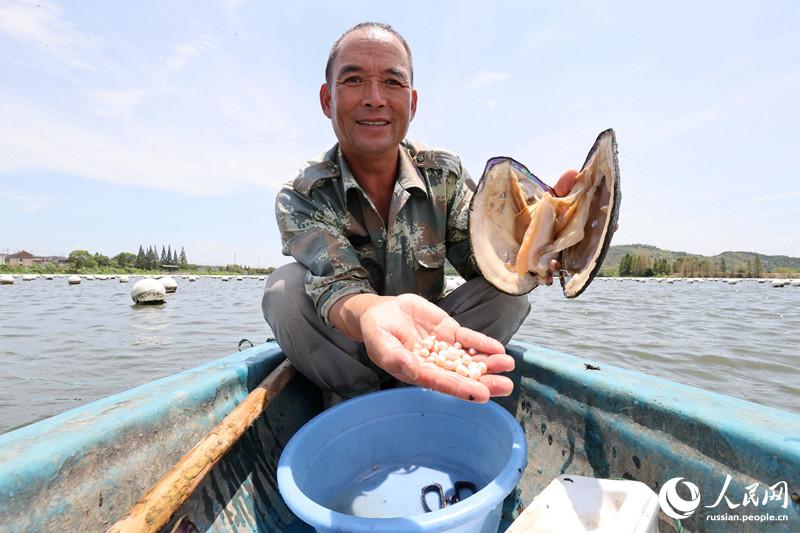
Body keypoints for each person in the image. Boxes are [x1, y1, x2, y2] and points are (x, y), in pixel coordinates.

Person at [262, 22, 576, 406]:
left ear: (412, 102)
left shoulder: (444, 174)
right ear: (328, 99)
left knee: (509, 292)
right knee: (284, 290)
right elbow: (336, 284)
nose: (375, 98)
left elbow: (484, 259)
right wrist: (375, 313)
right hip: (349, 349)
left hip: (432, 337)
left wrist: (534, 243)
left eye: (393, 83)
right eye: (355, 79)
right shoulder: (303, 194)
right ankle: (359, 398)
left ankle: (422, 388)